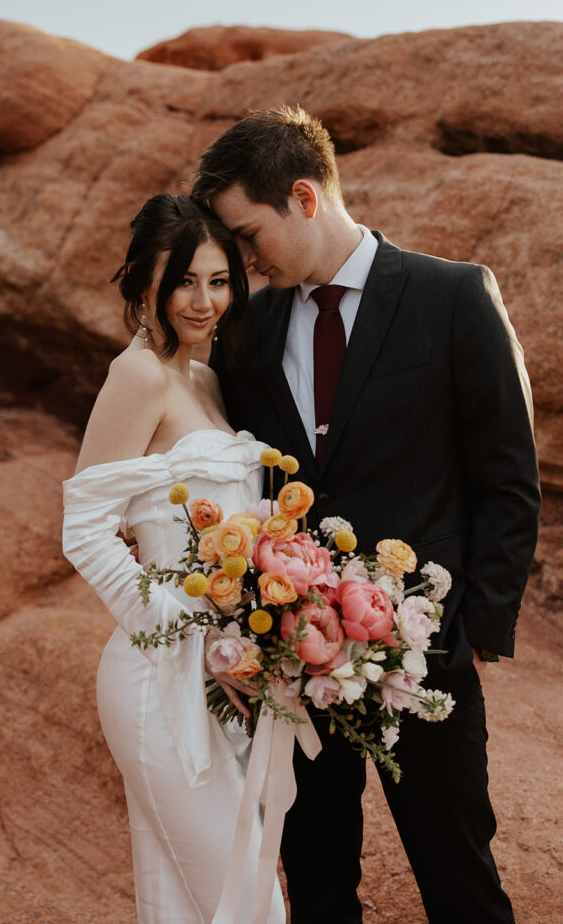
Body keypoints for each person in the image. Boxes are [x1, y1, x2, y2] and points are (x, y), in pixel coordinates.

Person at [193, 105, 541, 924]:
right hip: (296, 665)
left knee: (461, 881)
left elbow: (508, 476)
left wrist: (474, 635)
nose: (241, 261)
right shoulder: (250, 328)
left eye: (247, 236)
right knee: (316, 884)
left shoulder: (452, 296)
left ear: (305, 199)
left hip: (426, 658)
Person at [61, 193, 285, 924]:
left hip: (221, 673)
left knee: (187, 908)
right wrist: (180, 633)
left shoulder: (207, 378)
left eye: (219, 281)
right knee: (249, 907)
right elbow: (85, 528)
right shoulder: (140, 376)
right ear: (143, 283)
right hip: (160, 677)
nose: (204, 300)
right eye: (184, 280)